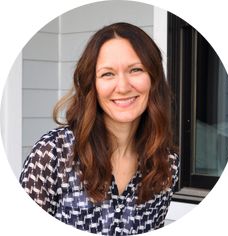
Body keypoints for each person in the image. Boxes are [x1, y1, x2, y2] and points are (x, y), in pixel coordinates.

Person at [20, 22, 179, 235]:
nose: (122, 87)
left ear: (154, 79)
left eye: (135, 70)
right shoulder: (53, 154)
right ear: (91, 84)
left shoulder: (166, 164)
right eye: (107, 74)